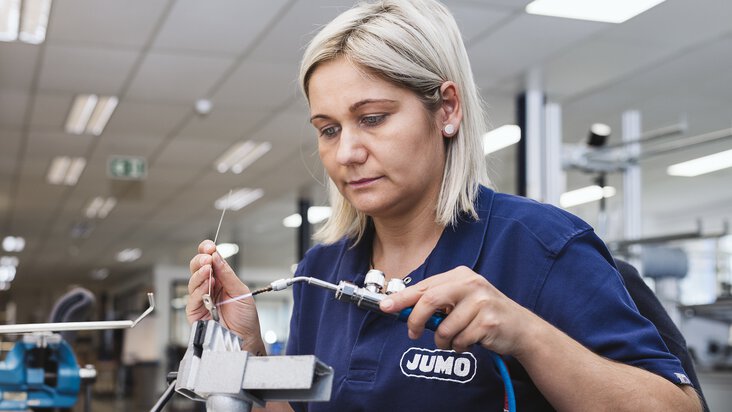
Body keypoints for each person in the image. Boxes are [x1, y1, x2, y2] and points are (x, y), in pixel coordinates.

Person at [187, 0, 702, 410]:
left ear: (447, 109)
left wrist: (526, 334)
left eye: (372, 118)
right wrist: (247, 354)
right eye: (328, 129)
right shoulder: (320, 272)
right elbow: (296, 407)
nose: (345, 153)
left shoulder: (540, 248)